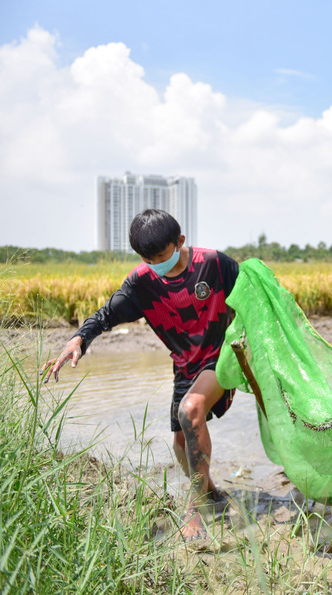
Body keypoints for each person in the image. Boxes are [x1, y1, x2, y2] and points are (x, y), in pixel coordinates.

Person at [42, 209, 239, 541]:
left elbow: (253, 299)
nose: (156, 264)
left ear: (180, 242)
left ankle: (195, 510)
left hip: (220, 358)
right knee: (180, 442)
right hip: (184, 364)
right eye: (148, 259)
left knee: (190, 411)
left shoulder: (216, 265)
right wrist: (80, 338)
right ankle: (213, 495)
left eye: (161, 256)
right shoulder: (142, 282)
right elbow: (107, 314)